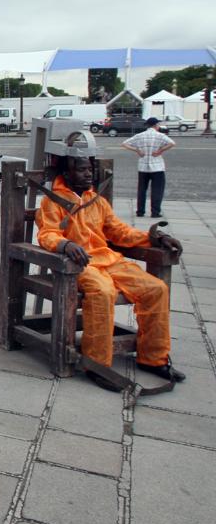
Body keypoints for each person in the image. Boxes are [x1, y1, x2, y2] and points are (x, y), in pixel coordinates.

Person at [37, 154, 185, 390]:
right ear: (67, 174)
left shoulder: (96, 200)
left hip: (108, 259)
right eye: (82, 170)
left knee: (155, 289)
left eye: (90, 170)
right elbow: (47, 233)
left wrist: (154, 237)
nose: (88, 174)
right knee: (102, 293)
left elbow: (119, 232)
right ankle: (97, 364)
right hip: (80, 264)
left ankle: (153, 358)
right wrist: (65, 244)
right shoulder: (52, 202)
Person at [121, 117, 175, 218]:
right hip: (157, 166)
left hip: (143, 166)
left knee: (142, 189)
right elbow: (172, 143)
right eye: (158, 125)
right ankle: (155, 212)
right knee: (157, 190)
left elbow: (124, 144)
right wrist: (160, 151)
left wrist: (137, 150)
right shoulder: (160, 135)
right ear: (156, 125)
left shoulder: (140, 136)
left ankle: (140, 211)